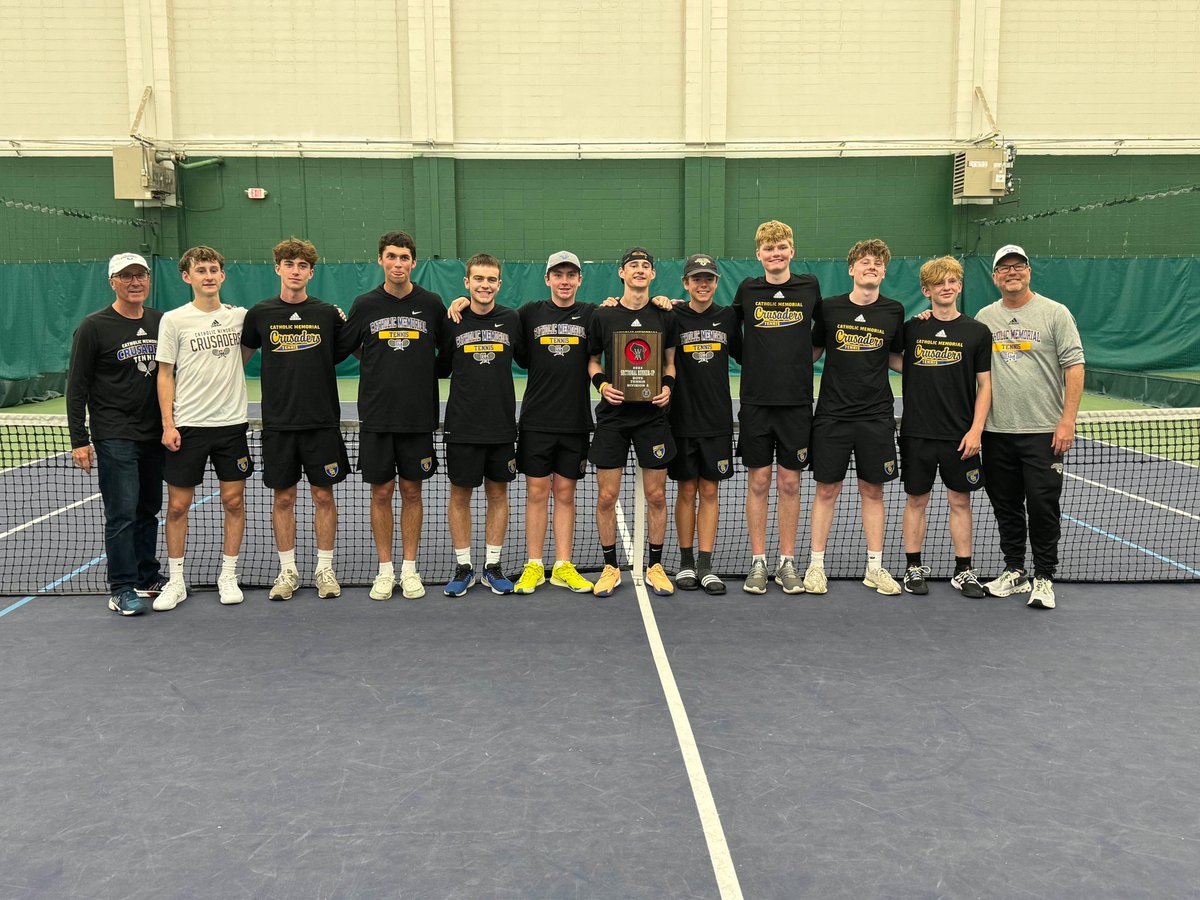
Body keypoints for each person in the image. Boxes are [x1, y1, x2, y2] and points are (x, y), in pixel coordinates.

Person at [976, 244, 1085, 610]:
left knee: (1042, 506)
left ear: (1028, 271)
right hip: (996, 433)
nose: (1011, 272)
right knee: (1005, 506)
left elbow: (1075, 368)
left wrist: (1066, 421)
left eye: (1018, 266)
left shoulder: (1055, 313)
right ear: (995, 277)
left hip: (1043, 432)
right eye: (1004, 268)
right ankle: (1014, 571)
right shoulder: (984, 318)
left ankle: (1043, 577)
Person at [338, 231, 446, 601]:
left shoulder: (431, 304)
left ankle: (410, 569)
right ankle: (385, 571)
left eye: (404, 257)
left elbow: (447, 348)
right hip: (377, 417)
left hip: (418, 417)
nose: (397, 263)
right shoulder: (365, 304)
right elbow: (346, 345)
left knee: (412, 491)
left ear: (413, 263)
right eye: (391, 256)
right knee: (381, 492)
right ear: (380, 261)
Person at [241, 238, 350, 601]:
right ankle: (287, 571)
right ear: (278, 268)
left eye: (303, 266)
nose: (296, 271)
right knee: (283, 499)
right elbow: (237, 361)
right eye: (289, 264)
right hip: (278, 425)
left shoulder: (327, 315)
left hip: (321, 423)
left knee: (323, 496)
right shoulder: (259, 314)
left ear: (311, 272)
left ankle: (324, 570)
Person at [66, 252, 165, 616]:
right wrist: (80, 440)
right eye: (126, 277)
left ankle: (147, 576)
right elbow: (76, 388)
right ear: (113, 282)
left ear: (148, 280)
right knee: (122, 513)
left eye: (140, 275)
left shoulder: (160, 321)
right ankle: (121, 587)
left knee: (148, 509)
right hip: (114, 434)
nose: (134, 282)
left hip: (154, 434)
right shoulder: (93, 327)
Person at [154, 245, 251, 610]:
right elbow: (165, 374)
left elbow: (249, 348)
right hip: (188, 426)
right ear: (187, 276)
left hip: (231, 426)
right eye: (201, 270)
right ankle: (176, 581)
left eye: (214, 269)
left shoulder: (239, 317)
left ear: (222, 275)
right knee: (178, 506)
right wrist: (168, 423)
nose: (208, 276)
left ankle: (229, 575)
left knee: (233, 501)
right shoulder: (174, 320)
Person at [807, 239, 906, 595]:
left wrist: (939, 370)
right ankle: (816, 566)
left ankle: (875, 568)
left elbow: (898, 359)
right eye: (865, 261)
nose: (872, 266)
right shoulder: (829, 309)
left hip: (876, 416)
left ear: (883, 271)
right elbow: (812, 351)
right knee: (826, 490)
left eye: (878, 262)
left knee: (872, 491)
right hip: (832, 415)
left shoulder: (894, 311)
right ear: (852, 269)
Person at [731, 220, 822, 595]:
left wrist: (801, 359)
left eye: (782, 246)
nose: (776, 253)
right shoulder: (747, 289)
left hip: (797, 403)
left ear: (792, 250)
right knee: (758, 481)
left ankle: (787, 562)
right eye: (768, 248)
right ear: (759, 255)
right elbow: (726, 330)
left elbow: (824, 332)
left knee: (789, 482)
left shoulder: (809, 286)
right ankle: (758, 562)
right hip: (755, 403)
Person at [586, 247, 677, 598]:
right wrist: (603, 385)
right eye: (633, 266)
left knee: (656, 494)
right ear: (621, 273)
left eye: (645, 266)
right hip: (613, 419)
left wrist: (667, 388)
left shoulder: (665, 315)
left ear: (653, 275)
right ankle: (610, 567)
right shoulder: (603, 315)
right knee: (607, 496)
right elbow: (592, 361)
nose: (639, 270)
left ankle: (655, 565)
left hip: (653, 419)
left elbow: (669, 363)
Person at [898, 256, 992, 597]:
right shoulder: (912, 329)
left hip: (959, 436)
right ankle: (912, 567)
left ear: (960, 286)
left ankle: (964, 570)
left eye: (952, 281)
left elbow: (986, 385)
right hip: (917, 433)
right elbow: (894, 360)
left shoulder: (978, 332)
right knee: (916, 501)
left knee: (960, 502)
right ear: (927, 290)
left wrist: (976, 429)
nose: (947, 287)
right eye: (940, 283)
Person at [437, 253, 525, 596]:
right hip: (461, 425)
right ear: (467, 283)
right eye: (478, 279)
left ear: (499, 284)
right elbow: (440, 367)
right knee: (460, 495)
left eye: (491, 280)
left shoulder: (513, 319)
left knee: (497, 494)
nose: (484, 285)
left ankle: (492, 566)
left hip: (501, 426)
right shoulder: (453, 320)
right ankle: (463, 566)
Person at [508, 251, 595, 594]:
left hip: (574, 422)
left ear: (579, 280)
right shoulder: (529, 313)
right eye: (557, 275)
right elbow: (491, 318)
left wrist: (664, 300)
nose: (564, 281)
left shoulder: (591, 314)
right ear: (547, 279)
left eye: (570, 275)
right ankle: (533, 565)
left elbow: (625, 315)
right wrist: (460, 302)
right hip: (536, 421)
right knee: (536, 493)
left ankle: (562, 565)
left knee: (565, 494)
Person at [669, 254, 740, 595]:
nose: (702, 284)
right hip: (681, 420)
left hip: (717, 421)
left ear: (716, 282)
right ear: (686, 283)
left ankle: (706, 566)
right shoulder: (672, 315)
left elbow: (750, 352)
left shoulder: (728, 317)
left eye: (708, 278)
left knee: (710, 491)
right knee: (686, 490)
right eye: (696, 278)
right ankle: (685, 563)